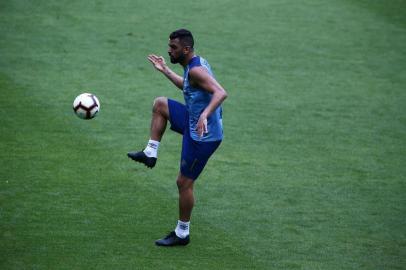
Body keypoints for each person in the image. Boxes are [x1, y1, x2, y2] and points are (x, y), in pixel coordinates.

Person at [128, 29, 228, 246]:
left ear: (186, 49)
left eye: (173, 48)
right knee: (160, 104)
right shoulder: (192, 65)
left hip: (203, 135)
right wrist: (164, 70)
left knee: (183, 183)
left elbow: (221, 93)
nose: (169, 50)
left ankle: (182, 233)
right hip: (193, 121)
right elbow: (188, 87)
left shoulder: (196, 70)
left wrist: (204, 114)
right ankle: (150, 153)